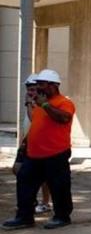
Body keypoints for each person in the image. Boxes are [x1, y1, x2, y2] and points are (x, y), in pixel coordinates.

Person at [3, 69, 76, 230]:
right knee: (24, 183)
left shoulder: (64, 102)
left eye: (42, 84)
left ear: (53, 85)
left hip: (56, 154)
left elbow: (63, 118)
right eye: (38, 85)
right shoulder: (40, 103)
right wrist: (30, 103)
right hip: (34, 155)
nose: (39, 88)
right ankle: (24, 217)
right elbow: (34, 120)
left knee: (59, 186)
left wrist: (45, 104)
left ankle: (62, 216)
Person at [12, 74, 53, 215]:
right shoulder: (31, 101)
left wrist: (29, 103)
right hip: (27, 141)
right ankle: (31, 200)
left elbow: (33, 118)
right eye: (28, 88)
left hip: (39, 143)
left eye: (33, 89)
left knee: (43, 176)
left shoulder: (40, 103)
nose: (30, 92)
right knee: (18, 169)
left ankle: (45, 202)